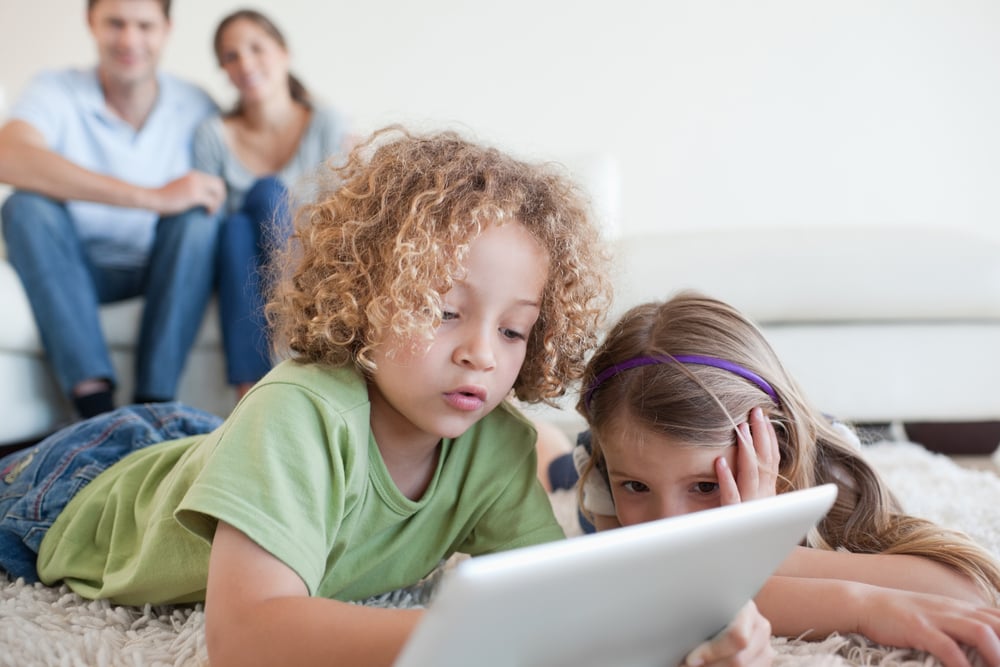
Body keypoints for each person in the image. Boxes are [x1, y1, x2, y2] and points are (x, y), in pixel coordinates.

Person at [0, 129, 773, 667]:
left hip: (216, 452)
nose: (480, 350)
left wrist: (694, 628)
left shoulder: (495, 447)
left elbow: (572, 600)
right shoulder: (300, 411)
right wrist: (471, 642)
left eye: (513, 331)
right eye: (445, 311)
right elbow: (247, 638)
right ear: (369, 295)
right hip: (83, 482)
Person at [559, 291, 1000, 667]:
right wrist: (861, 605)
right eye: (636, 487)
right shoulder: (603, 456)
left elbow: (967, 590)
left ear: (776, 453)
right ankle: (545, 443)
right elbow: (654, 601)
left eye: (705, 486)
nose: (668, 523)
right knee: (555, 466)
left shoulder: (826, 468)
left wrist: (766, 542)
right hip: (574, 456)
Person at [0, 0, 225, 419]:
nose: (129, 40)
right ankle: (97, 411)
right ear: (91, 22)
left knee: (198, 220)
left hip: (163, 271)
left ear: (166, 29)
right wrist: (152, 196)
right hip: (76, 268)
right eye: (115, 23)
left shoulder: (196, 104)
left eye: (144, 26)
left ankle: (153, 407)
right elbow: (8, 155)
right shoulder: (56, 89)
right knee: (24, 207)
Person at [193, 8, 351, 400]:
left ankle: (268, 372)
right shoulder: (213, 135)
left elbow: (341, 215)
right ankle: (262, 380)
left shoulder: (326, 122)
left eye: (256, 49)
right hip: (239, 271)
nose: (245, 63)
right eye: (231, 57)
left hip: (310, 261)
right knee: (234, 228)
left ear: (283, 53)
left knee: (264, 195)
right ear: (224, 71)